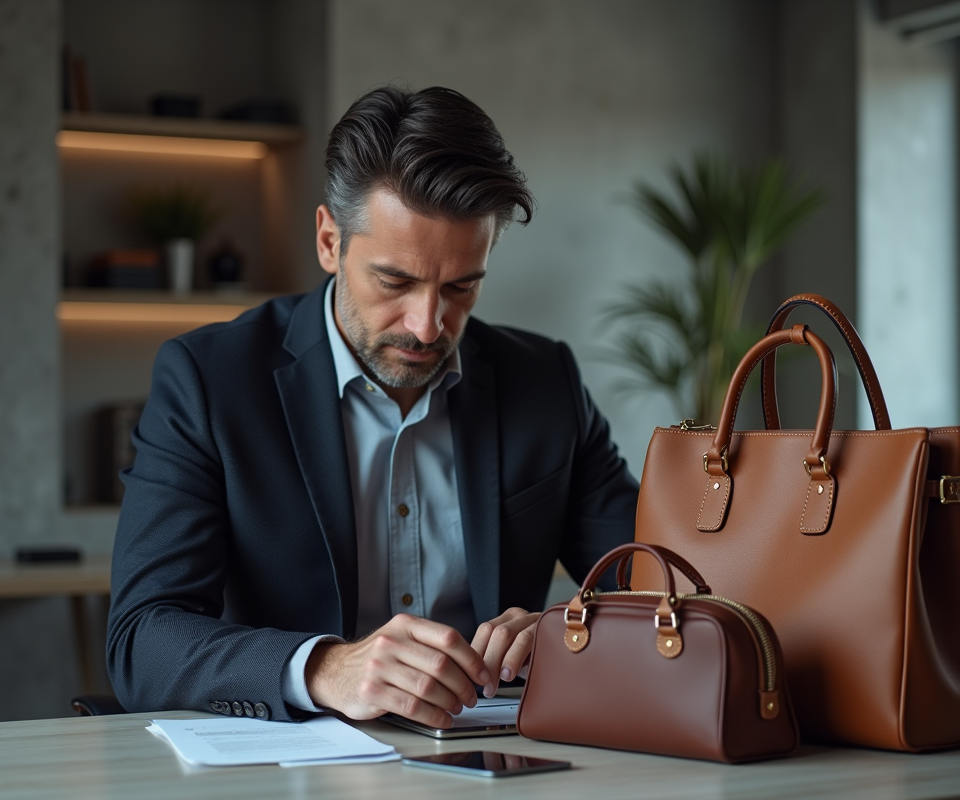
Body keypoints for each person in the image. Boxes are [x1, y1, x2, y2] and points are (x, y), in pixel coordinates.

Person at [107, 86, 639, 728]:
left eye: (461, 287)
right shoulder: (209, 382)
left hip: (495, 757)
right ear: (330, 241)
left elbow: (662, 586)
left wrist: (564, 631)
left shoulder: (544, 381)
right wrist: (324, 668)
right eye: (395, 282)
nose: (427, 325)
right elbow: (142, 638)